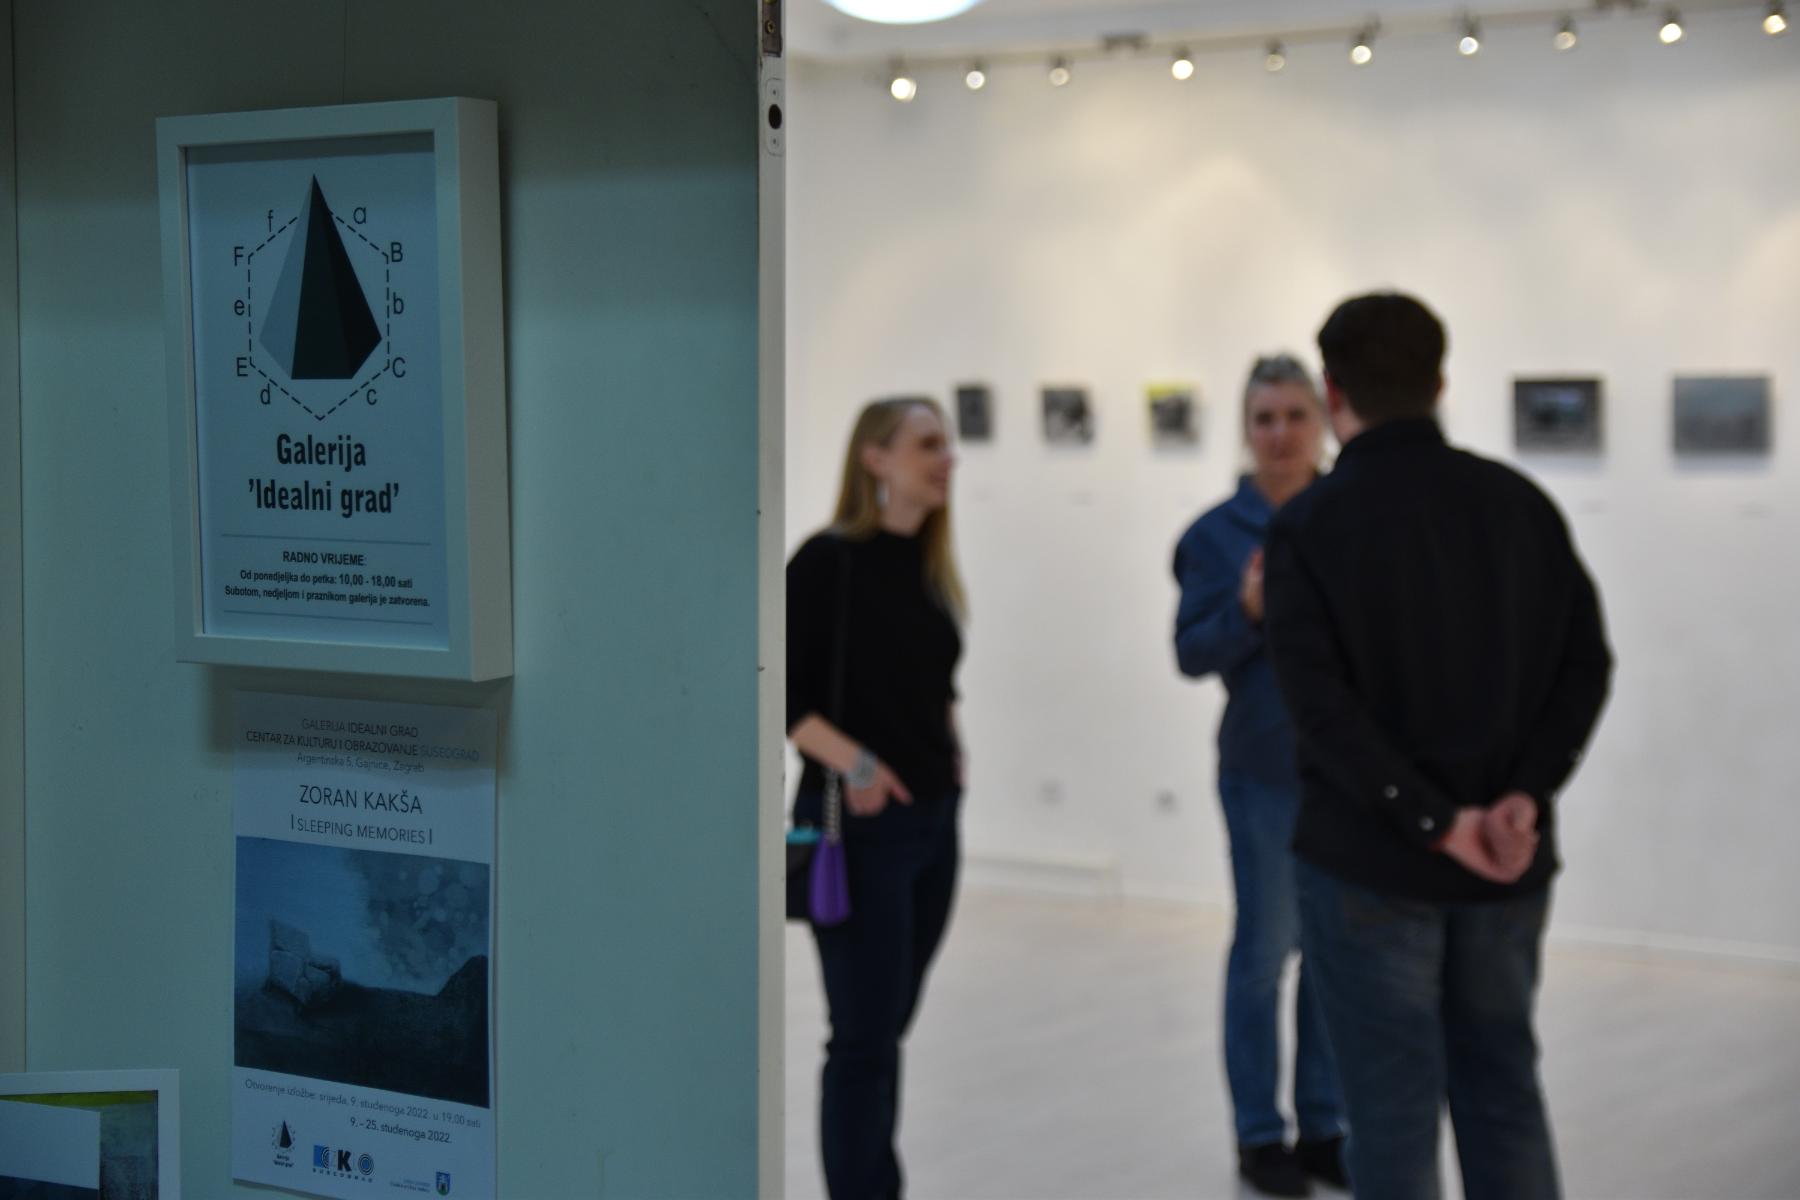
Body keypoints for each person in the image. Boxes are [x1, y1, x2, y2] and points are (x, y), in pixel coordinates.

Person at [1262, 292, 1614, 1200]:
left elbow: (1322, 711)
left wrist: (1433, 822)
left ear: (1333, 391)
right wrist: (1523, 796)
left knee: (1391, 1121)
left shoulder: (1310, 526)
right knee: (1504, 1093)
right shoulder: (1519, 506)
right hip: (1504, 862)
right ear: (1441, 382)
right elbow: (1585, 665)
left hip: (1371, 869)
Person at [1173, 355, 1349, 1197]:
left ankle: (1324, 1125)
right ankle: (1258, 1134)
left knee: (1331, 954)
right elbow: (1190, 651)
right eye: (1264, 419)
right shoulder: (1214, 536)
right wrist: (1247, 611)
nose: (1280, 435)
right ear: (1245, 430)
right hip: (1264, 772)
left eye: (1294, 416)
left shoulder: (1352, 515)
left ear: (1323, 422)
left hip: (1350, 776)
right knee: (1264, 953)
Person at [787, 397, 966, 1200]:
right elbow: (783, 694)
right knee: (862, 1039)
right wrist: (857, 764)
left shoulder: (929, 567)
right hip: (858, 831)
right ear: (876, 458)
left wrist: (953, 744)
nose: (946, 459)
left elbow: (933, 681)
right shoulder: (827, 563)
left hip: (934, 824)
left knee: (886, 1028)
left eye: (946, 444)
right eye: (927, 444)